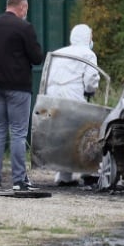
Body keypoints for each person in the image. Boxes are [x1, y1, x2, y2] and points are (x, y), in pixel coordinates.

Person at [0, 0, 44, 191]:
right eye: (25, 9)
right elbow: (36, 57)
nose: (25, 12)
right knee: (18, 133)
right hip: (18, 86)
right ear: (21, 7)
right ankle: (19, 181)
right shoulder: (24, 28)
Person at [45, 23, 100, 186]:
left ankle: (63, 175)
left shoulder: (57, 53)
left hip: (52, 97)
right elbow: (91, 80)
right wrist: (91, 90)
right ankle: (88, 172)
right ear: (87, 38)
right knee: (84, 133)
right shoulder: (88, 54)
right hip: (74, 96)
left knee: (62, 134)